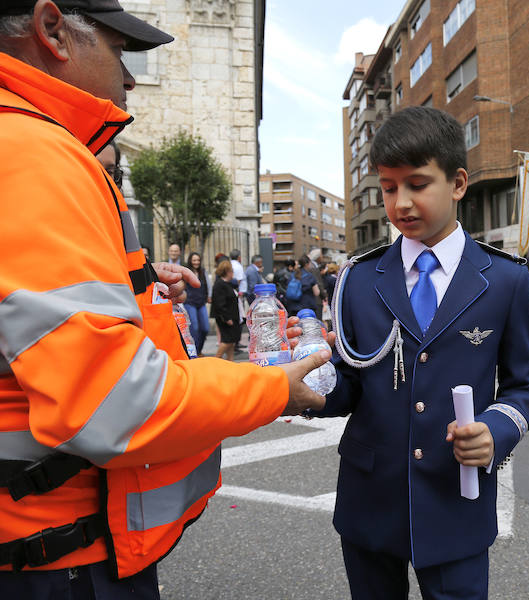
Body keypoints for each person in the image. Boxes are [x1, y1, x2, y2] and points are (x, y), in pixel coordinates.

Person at [0, 2, 331, 596]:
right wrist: (272, 386)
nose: (129, 77)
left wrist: (143, 293)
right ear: (52, 31)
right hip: (53, 560)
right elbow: (112, 404)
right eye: (120, 51)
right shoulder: (33, 153)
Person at [306, 106, 529, 599]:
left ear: (458, 183)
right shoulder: (356, 279)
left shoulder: (505, 279)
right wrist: (308, 376)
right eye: (389, 188)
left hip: (456, 496)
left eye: (417, 183)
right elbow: (350, 383)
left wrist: (495, 431)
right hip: (371, 497)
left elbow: (523, 386)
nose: (401, 203)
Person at [211, 260, 241, 360]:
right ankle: (215, 361)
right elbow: (220, 304)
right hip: (225, 318)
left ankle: (230, 362)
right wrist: (227, 318)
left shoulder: (227, 284)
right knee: (227, 341)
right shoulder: (220, 285)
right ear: (227, 272)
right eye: (231, 271)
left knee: (231, 342)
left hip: (231, 317)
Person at [184, 251, 211, 355]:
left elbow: (208, 285)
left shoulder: (203, 272)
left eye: (198, 260)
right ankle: (193, 352)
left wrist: (209, 296)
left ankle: (198, 350)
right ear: (190, 261)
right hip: (190, 302)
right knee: (194, 328)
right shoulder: (187, 272)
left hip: (201, 302)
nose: (196, 262)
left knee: (205, 328)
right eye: (194, 260)